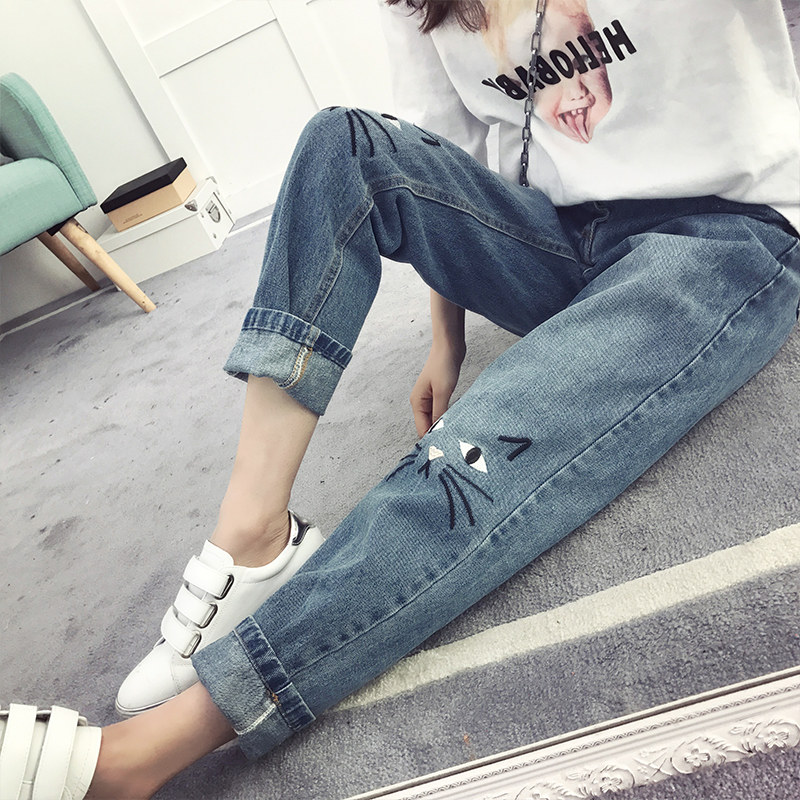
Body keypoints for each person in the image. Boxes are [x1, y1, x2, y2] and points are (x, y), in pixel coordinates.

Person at [3, 0, 799, 797]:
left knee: (472, 458)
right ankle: (253, 540)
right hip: (559, 236)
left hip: (721, 236)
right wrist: (445, 340)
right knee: (344, 143)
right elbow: (450, 154)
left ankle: (141, 755)